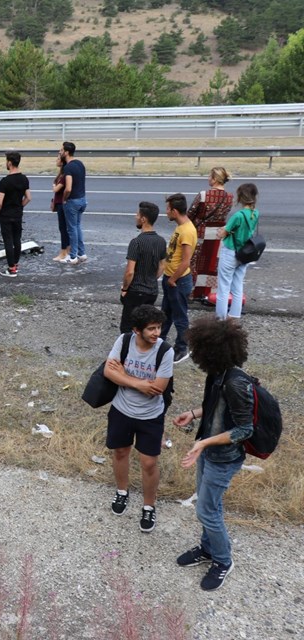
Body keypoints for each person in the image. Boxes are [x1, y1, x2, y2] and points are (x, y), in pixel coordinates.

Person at [172, 317, 253, 591]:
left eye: (197, 351)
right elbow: (218, 408)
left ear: (211, 351)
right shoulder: (217, 374)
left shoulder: (235, 383)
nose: (194, 356)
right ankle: (208, 548)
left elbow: (245, 429)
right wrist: (193, 414)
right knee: (208, 507)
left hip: (224, 457)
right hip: (207, 451)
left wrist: (204, 444)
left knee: (208, 510)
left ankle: (223, 560)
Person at [103, 304, 173, 533]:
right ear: (137, 330)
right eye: (151, 329)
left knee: (149, 463)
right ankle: (122, 492)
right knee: (120, 452)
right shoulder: (123, 341)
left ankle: (148, 506)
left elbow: (158, 388)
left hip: (151, 416)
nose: (156, 333)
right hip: (121, 410)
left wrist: (123, 375)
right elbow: (108, 371)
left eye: (159, 327)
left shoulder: (165, 351)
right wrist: (138, 383)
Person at [160, 193, 196, 364]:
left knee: (180, 317)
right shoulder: (180, 228)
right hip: (171, 279)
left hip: (178, 281)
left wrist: (173, 279)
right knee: (165, 315)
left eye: (168, 209)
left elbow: (186, 261)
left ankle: (182, 349)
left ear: (174, 211)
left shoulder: (187, 231)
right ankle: (159, 342)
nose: (166, 212)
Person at [120, 202, 167, 333]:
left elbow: (130, 272)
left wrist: (124, 289)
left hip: (136, 291)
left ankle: (128, 352)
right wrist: (151, 278)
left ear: (143, 219)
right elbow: (162, 265)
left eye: (137, 214)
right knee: (145, 326)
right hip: (152, 291)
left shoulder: (136, 242)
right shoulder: (161, 241)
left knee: (128, 327)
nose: (135, 217)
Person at [187, 167, 233, 302]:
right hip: (218, 235)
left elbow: (191, 214)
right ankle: (209, 293)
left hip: (200, 233)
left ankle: (193, 292)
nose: (208, 179)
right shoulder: (229, 197)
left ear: (215, 179)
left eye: (209, 176)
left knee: (194, 263)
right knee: (212, 264)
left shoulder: (203, 195)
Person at [215, 183, 259, 320]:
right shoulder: (255, 213)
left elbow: (223, 233)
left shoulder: (238, 215)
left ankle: (221, 319)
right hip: (244, 253)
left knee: (223, 287)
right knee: (237, 286)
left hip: (230, 252)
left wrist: (221, 232)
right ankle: (234, 315)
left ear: (241, 197)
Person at [0, 151, 31, 278]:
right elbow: (28, 198)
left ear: (9, 163)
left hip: (5, 214)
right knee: (17, 239)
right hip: (17, 214)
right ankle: (15, 264)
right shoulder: (24, 179)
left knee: (8, 241)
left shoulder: (5, 181)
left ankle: (11, 269)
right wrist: (19, 206)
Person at [59, 141, 87, 265]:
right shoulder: (80, 164)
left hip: (72, 201)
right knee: (78, 226)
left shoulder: (68, 167)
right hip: (82, 199)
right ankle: (82, 253)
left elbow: (68, 187)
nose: (60, 152)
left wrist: (64, 198)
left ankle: (73, 256)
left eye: (61, 150)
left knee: (72, 229)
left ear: (66, 152)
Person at [51, 154, 70, 262]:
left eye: (58, 158)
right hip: (59, 202)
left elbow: (56, 189)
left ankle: (63, 252)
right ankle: (67, 251)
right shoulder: (61, 174)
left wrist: (54, 186)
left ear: (62, 162)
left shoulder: (63, 175)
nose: (56, 160)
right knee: (64, 228)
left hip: (62, 203)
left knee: (63, 228)